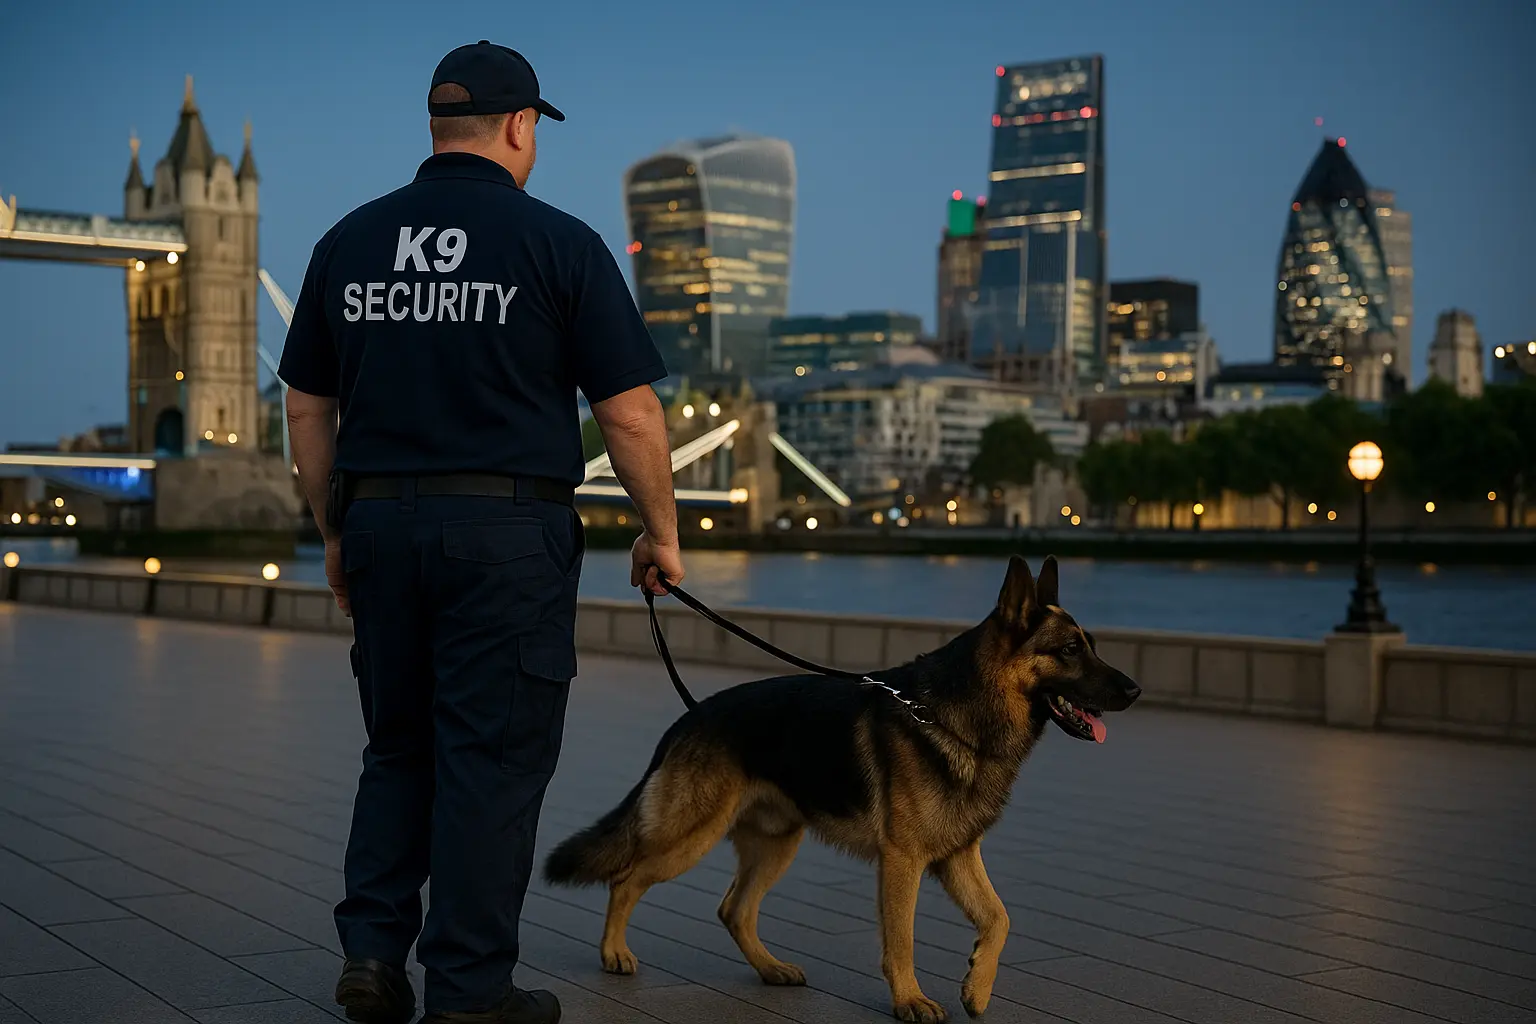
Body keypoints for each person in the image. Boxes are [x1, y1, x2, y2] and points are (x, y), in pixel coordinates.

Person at [278, 40, 683, 1024]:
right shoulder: (559, 245)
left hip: (379, 526)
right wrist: (662, 533)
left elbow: (304, 409)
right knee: (490, 761)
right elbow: (628, 414)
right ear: (518, 125)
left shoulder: (348, 243)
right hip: (506, 535)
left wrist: (334, 527)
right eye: (536, 128)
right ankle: (467, 987)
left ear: (436, 126)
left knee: (399, 748)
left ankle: (373, 958)